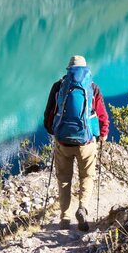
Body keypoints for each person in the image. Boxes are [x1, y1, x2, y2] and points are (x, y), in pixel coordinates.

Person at [43, 55, 109, 232]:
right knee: (86, 177)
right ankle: (82, 208)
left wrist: (54, 132)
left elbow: (49, 114)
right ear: (85, 70)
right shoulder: (92, 88)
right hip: (86, 142)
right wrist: (103, 134)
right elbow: (102, 116)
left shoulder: (59, 87)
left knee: (64, 179)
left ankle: (64, 218)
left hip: (63, 142)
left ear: (69, 70)